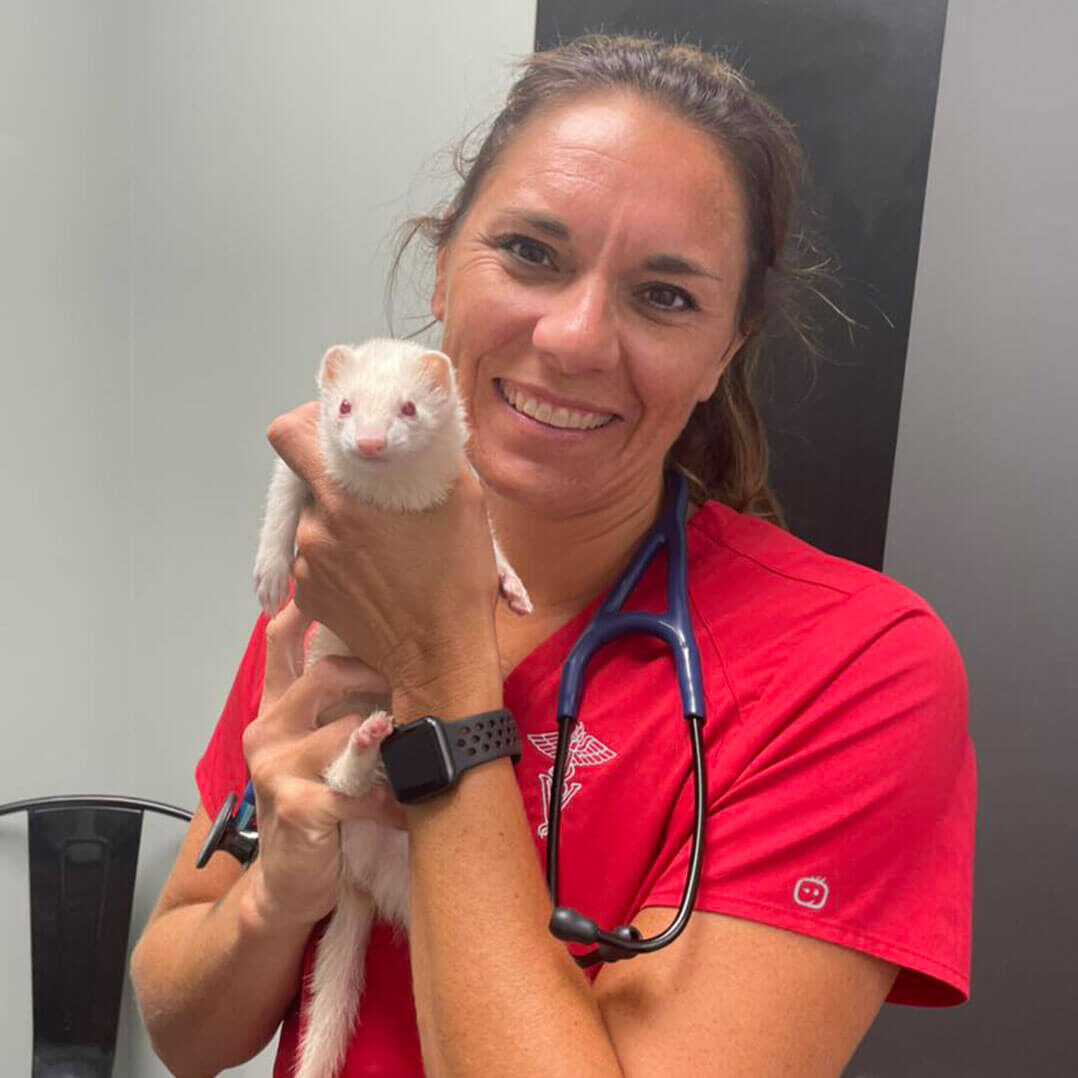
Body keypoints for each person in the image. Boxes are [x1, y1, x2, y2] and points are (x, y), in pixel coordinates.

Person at [130, 34, 976, 1078]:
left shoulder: (854, 669)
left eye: (665, 296)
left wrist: (441, 678)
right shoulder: (336, 579)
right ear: (444, 268)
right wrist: (278, 894)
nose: (575, 339)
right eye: (530, 252)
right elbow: (180, 1030)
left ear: (726, 349)